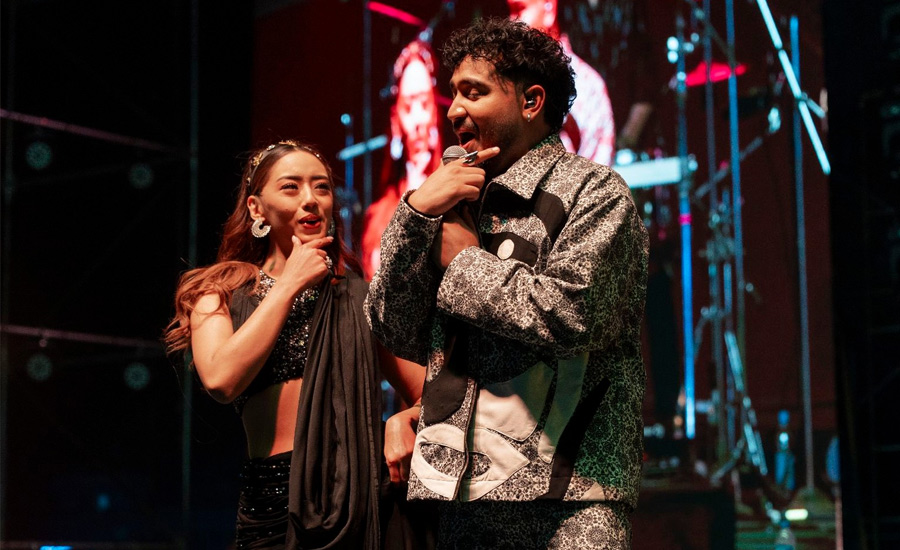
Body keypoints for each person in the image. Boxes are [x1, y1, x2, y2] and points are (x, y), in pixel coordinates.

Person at [365, 17, 648, 549]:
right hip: (460, 492)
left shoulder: (596, 191)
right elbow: (393, 329)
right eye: (453, 93)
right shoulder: (449, 202)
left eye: (474, 92)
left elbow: (571, 315)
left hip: (570, 496)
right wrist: (414, 215)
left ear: (531, 101)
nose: (453, 110)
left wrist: (465, 262)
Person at [164, 140, 423, 549]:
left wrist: (403, 420)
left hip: (362, 497)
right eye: (291, 187)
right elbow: (221, 380)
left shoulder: (359, 296)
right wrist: (288, 285)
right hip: (272, 504)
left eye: (322, 187)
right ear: (256, 208)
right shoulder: (217, 293)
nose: (311, 199)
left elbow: (433, 393)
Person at [362, 40, 444, 280]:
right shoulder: (378, 215)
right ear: (395, 118)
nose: (418, 119)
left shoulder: (458, 200)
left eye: (424, 104)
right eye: (408, 107)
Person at [508, 0, 616, 166]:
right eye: (511, 11)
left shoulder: (587, 85)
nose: (511, 21)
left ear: (549, 9)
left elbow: (599, 168)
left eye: (519, 10)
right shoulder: (503, 78)